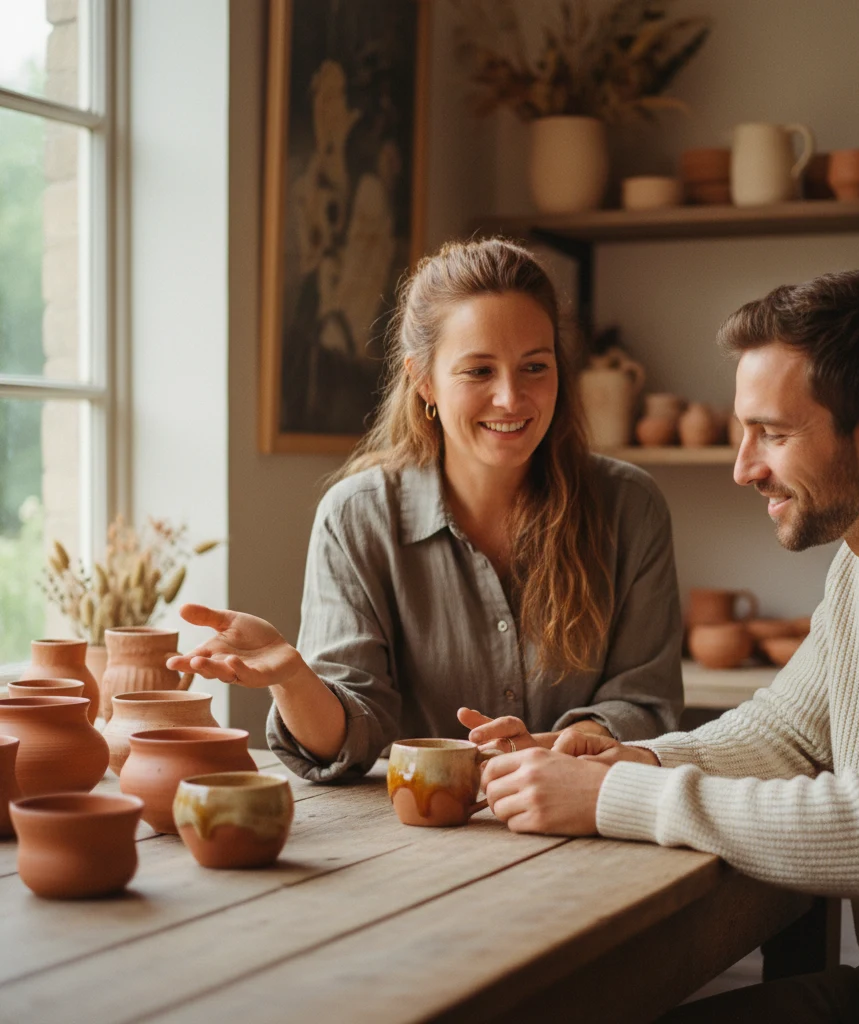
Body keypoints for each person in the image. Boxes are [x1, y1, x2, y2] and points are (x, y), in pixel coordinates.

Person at [478, 270, 859, 1021]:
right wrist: (632, 759)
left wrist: (615, 798)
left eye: (772, 432)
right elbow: (788, 732)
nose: (744, 466)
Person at [169, 237, 684, 783]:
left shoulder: (630, 507)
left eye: (535, 366)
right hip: (417, 834)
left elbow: (644, 702)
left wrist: (564, 745)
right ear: (422, 381)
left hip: (586, 827)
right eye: (479, 371)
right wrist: (294, 679)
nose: (511, 397)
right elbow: (347, 740)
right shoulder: (357, 518)